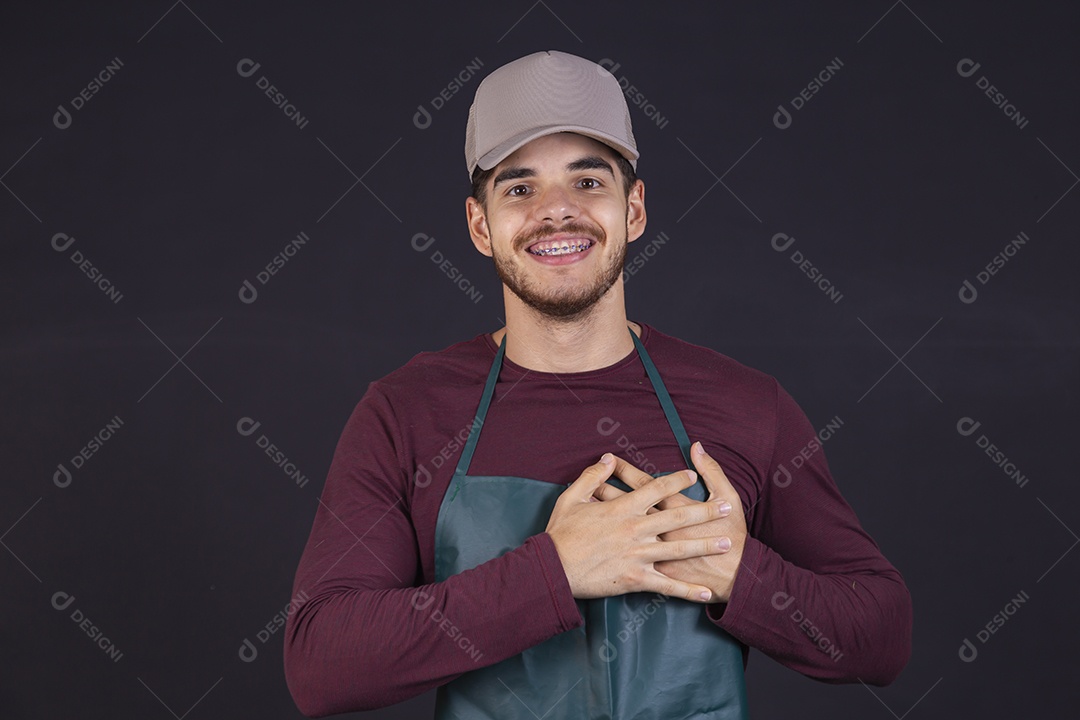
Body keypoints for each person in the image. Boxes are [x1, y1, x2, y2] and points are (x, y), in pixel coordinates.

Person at [284, 50, 912, 719]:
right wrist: (552, 573)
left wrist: (737, 574)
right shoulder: (408, 414)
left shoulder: (745, 406)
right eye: (520, 188)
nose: (556, 213)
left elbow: (882, 635)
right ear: (479, 226)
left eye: (588, 183)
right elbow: (321, 663)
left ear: (633, 209)